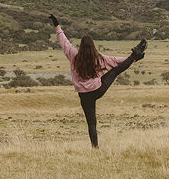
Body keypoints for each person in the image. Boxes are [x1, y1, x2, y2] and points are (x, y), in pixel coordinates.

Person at [50, 12, 145, 148]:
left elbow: (64, 42)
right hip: (97, 90)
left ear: (81, 46)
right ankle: (134, 55)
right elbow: (116, 62)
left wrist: (57, 25)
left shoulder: (74, 56)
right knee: (115, 71)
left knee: (91, 123)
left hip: (84, 95)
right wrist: (133, 59)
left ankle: (95, 148)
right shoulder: (98, 58)